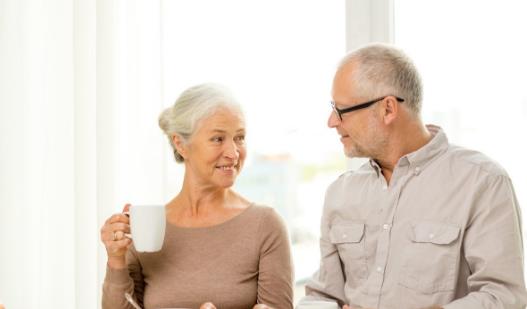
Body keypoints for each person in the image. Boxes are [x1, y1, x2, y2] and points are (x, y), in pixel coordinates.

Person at [300, 43, 527, 309]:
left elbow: (505, 297)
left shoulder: (483, 182)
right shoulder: (340, 193)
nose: (332, 121)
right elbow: (323, 296)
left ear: (387, 109)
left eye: (342, 110)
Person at [100, 83, 293, 309]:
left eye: (239, 138)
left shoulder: (265, 225)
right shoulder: (149, 227)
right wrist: (116, 259)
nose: (233, 153)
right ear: (180, 144)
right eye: (218, 139)